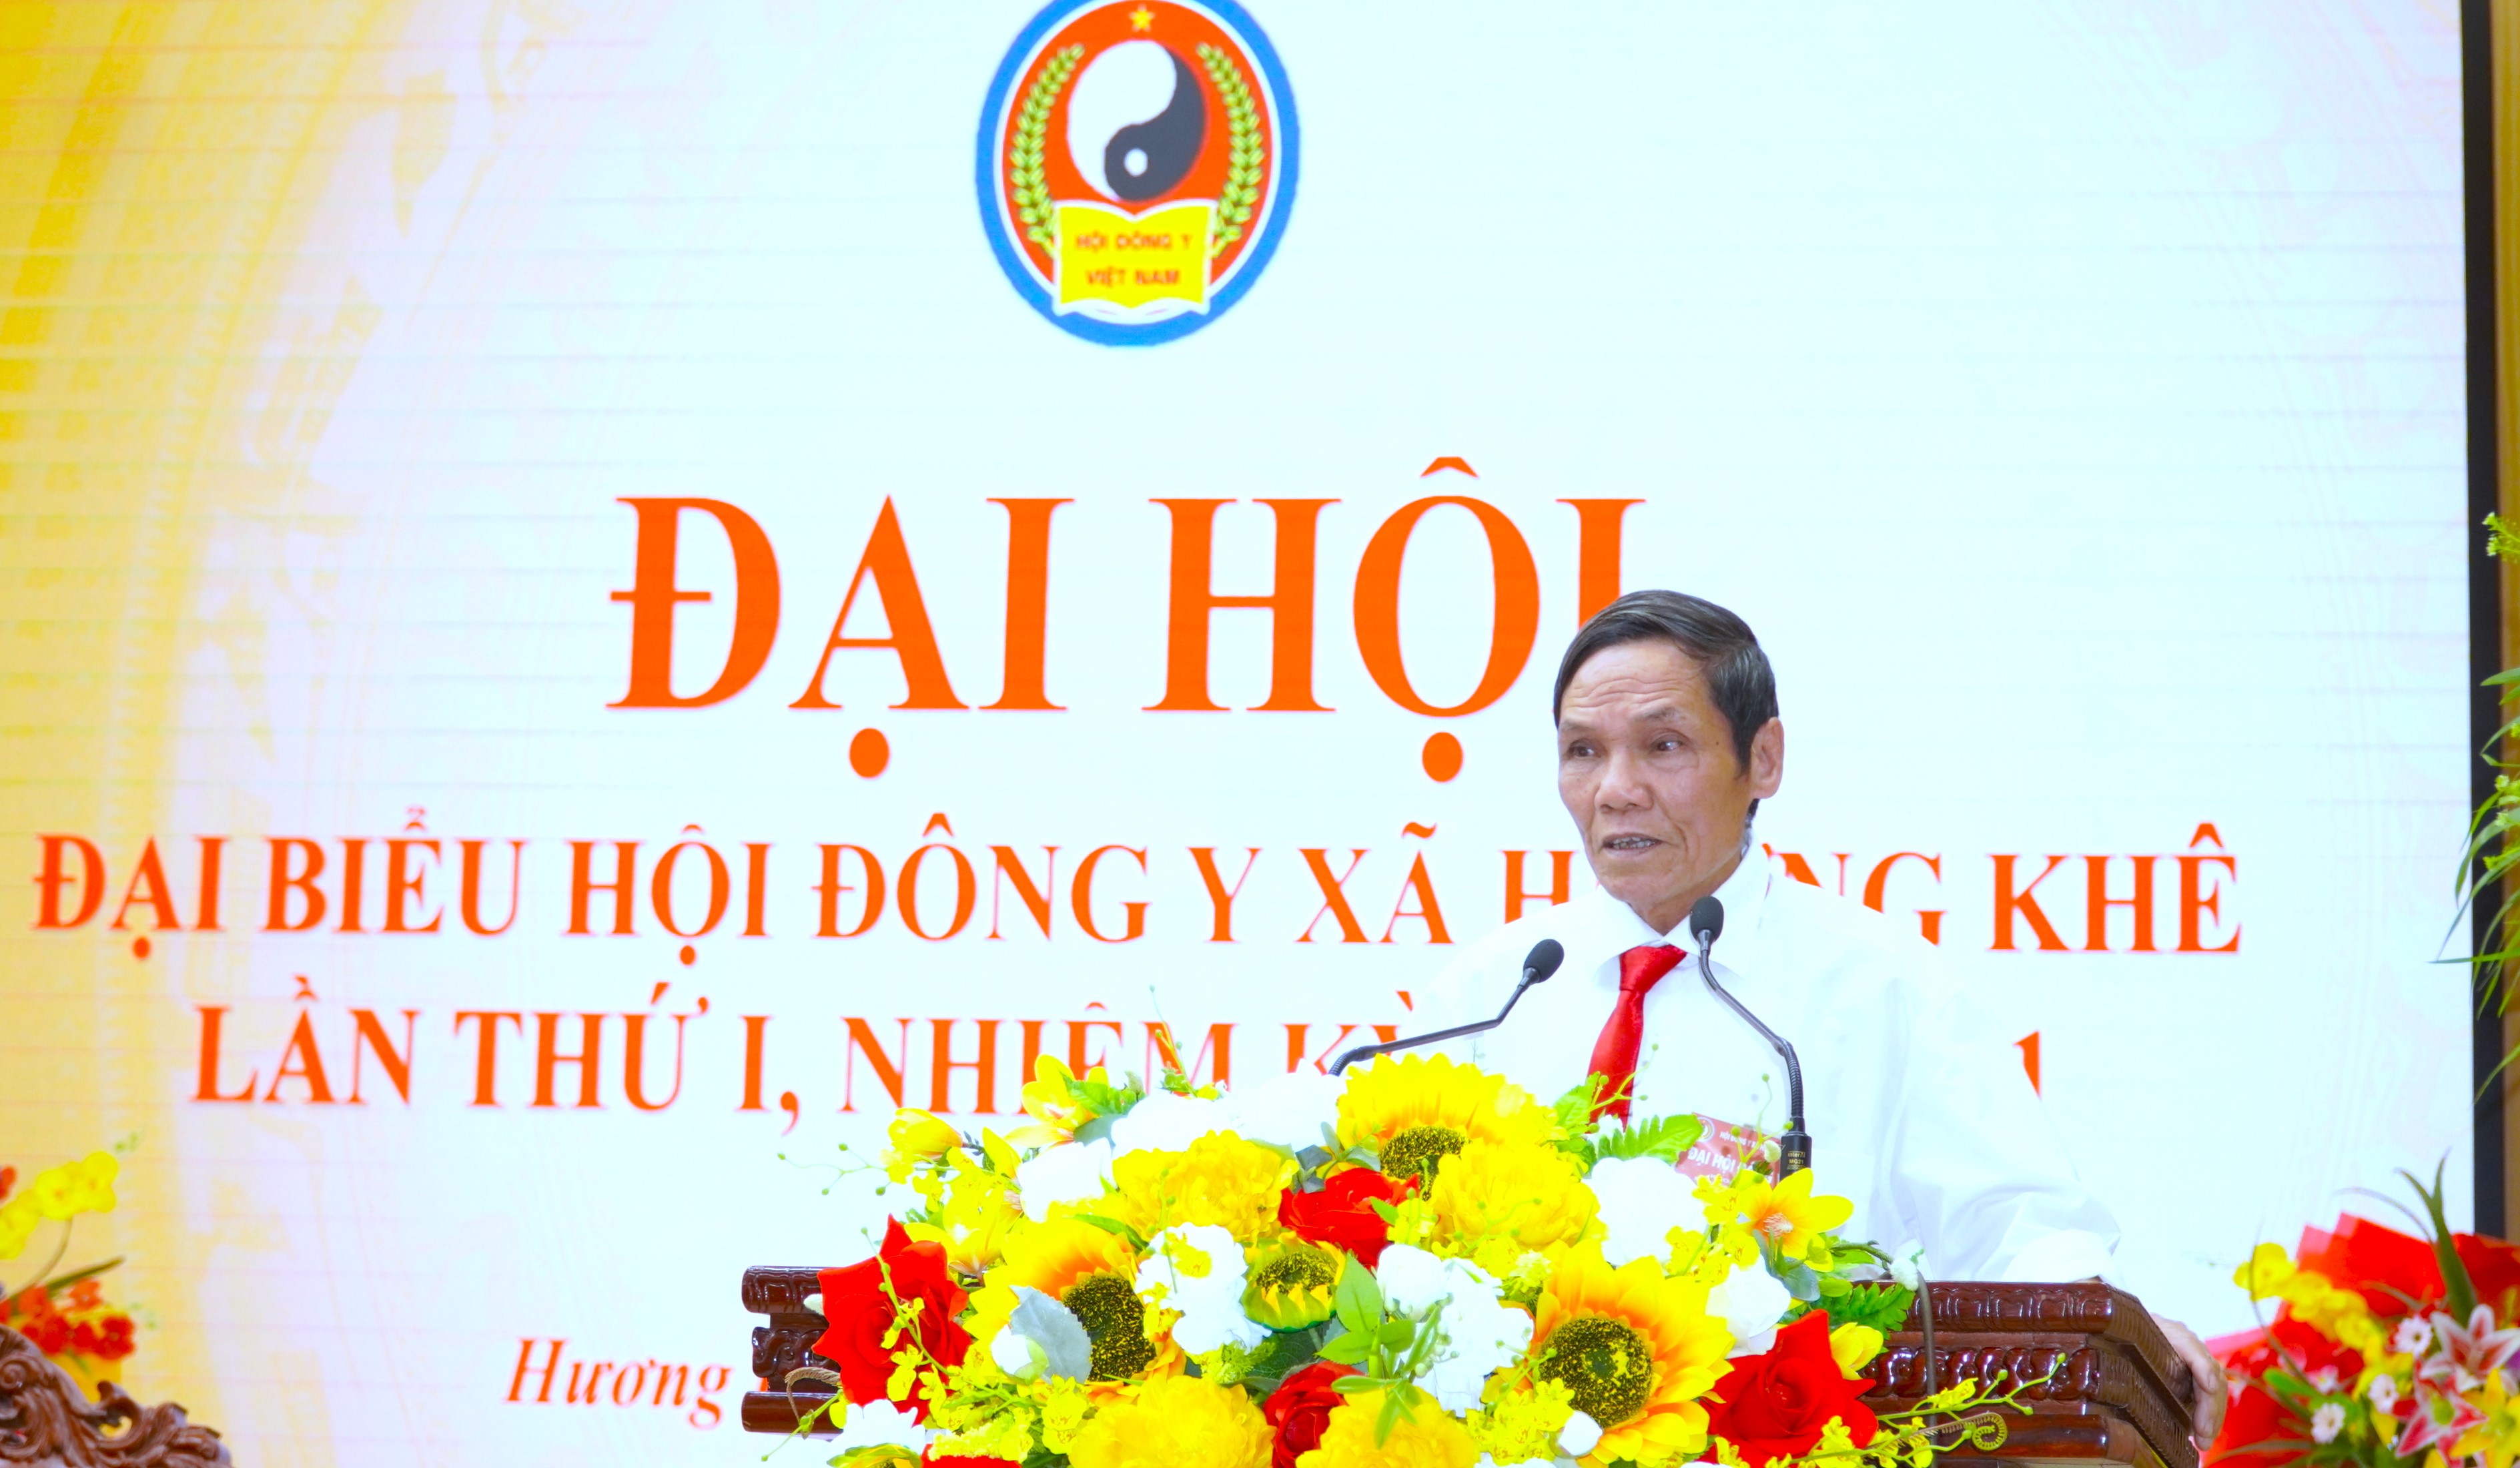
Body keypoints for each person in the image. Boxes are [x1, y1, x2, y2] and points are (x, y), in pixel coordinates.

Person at [1424, 589, 2226, 1445]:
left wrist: (2115, 1333)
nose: (1617, 790)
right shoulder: (1494, 989)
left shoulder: (1882, 988)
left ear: (1763, 758)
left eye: (1664, 746)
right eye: (1583, 751)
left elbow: (2018, 1225)